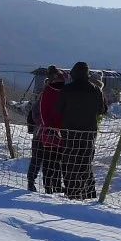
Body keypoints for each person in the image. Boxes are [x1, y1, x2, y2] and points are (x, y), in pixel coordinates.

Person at [55, 61, 106, 199]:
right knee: (85, 164)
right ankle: (90, 194)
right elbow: (102, 109)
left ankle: (73, 193)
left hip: (70, 133)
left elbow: (58, 109)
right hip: (89, 133)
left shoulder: (67, 89)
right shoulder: (96, 89)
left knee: (70, 164)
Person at [27, 67, 66, 194]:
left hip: (52, 132)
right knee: (40, 159)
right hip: (42, 132)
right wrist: (44, 125)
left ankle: (56, 184)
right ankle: (31, 182)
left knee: (53, 160)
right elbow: (36, 114)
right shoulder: (44, 95)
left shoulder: (51, 93)